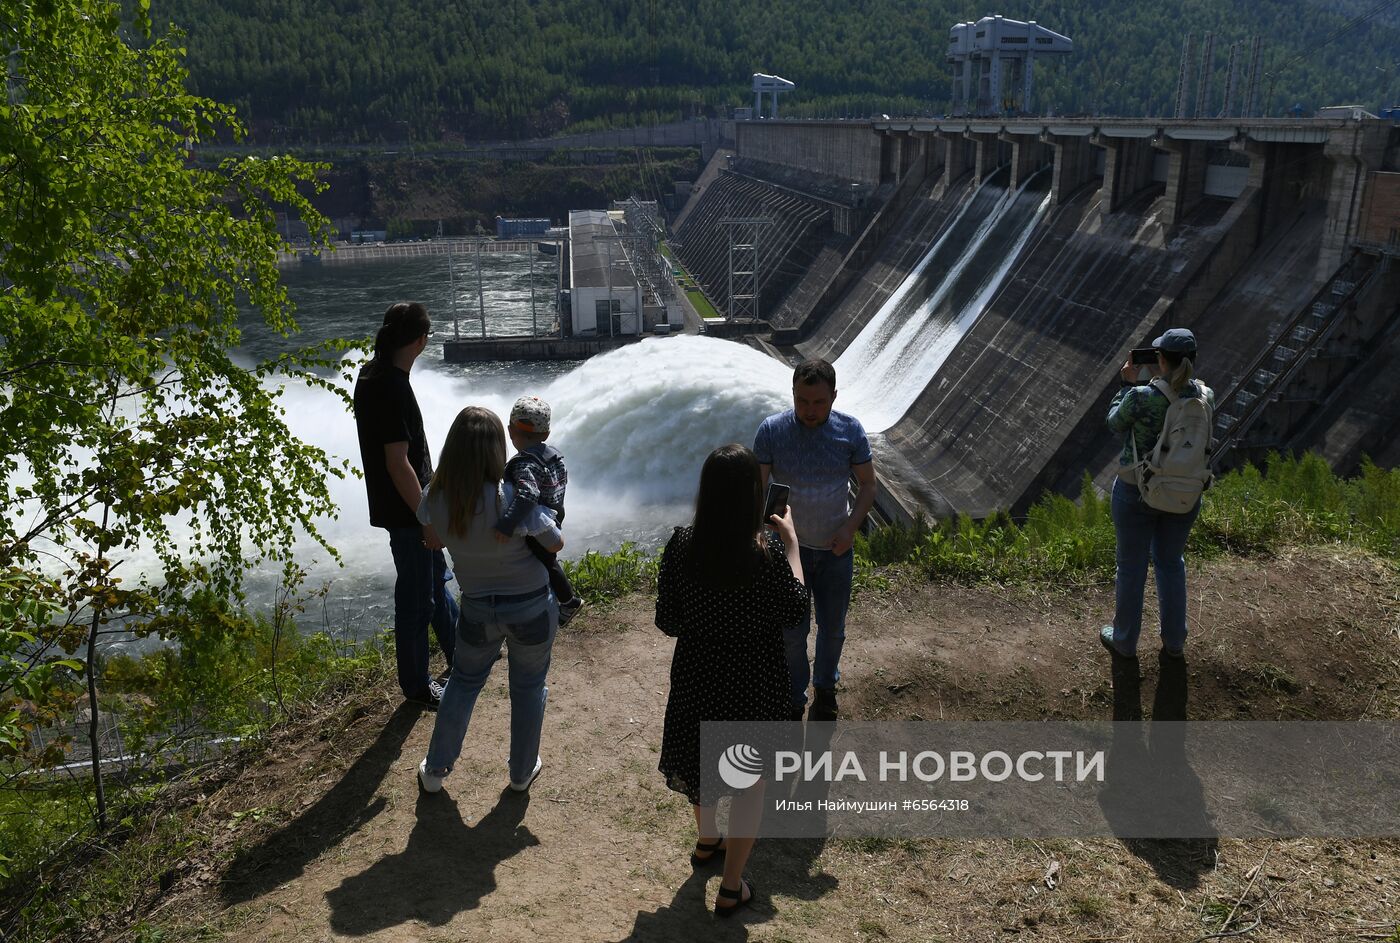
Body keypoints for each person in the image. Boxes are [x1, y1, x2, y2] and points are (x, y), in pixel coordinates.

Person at [656, 444, 808, 917]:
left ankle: (707, 841)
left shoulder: (681, 543)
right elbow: (798, 610)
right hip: (752, 678)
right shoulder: (763, 556)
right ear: (753, 497)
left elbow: (668, 620)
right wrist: (793, 546)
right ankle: (731, 887)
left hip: (698, 674)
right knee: (748, 783)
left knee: (700, 760)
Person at [416, 406, 563, 794]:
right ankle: (520, 773)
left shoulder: (435, 496)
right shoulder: (512, 496)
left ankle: (435, 771)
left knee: (463, 684)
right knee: (528, 688)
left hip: (478, 607)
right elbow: (555, 542)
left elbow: (432, 537)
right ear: (498, 448)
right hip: (531, 604)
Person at [754, 358, 875, 721]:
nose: (810, 410)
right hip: (787, 552)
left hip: (835, 550)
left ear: (834, 397)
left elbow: (868, 485)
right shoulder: (772, 431)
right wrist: (763, 532)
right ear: (792, 394)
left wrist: (850, 528)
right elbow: (758, 488)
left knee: (832, 628)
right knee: (792, 630)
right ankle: (795, 695)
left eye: (819, 402)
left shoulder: (850, 431)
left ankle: (825, 689)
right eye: (802, 401)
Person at [353, 301, 457, 707]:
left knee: (435, 584)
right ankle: (416, 687)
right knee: (416, 601)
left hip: (405, 506)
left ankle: (463, 653)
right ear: (420, 340)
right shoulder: (392, 386)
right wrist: (427, 519)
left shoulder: (371, 374)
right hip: (408, 511)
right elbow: (398, 464)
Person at [1100, 328, 1216, 660]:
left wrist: (1127, 383)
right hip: (1184, 495)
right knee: (1170, 563)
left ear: (1160, 360)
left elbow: (1113, 424)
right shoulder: (1206, 397)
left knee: (1132, 567)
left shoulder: (1141, 396)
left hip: (1136, 492)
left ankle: (1124, 640)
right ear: (1193, 361)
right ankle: (1175, 642)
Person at [493, 395, 582, 625]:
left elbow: (528, 496)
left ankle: (569, 601)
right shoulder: (554, 456)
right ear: (546, 434)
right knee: (547, 560)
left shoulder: (524, 463)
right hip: (556, 512)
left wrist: (507, 523)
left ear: (510, 430)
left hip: (539, 521)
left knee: (546, 561)